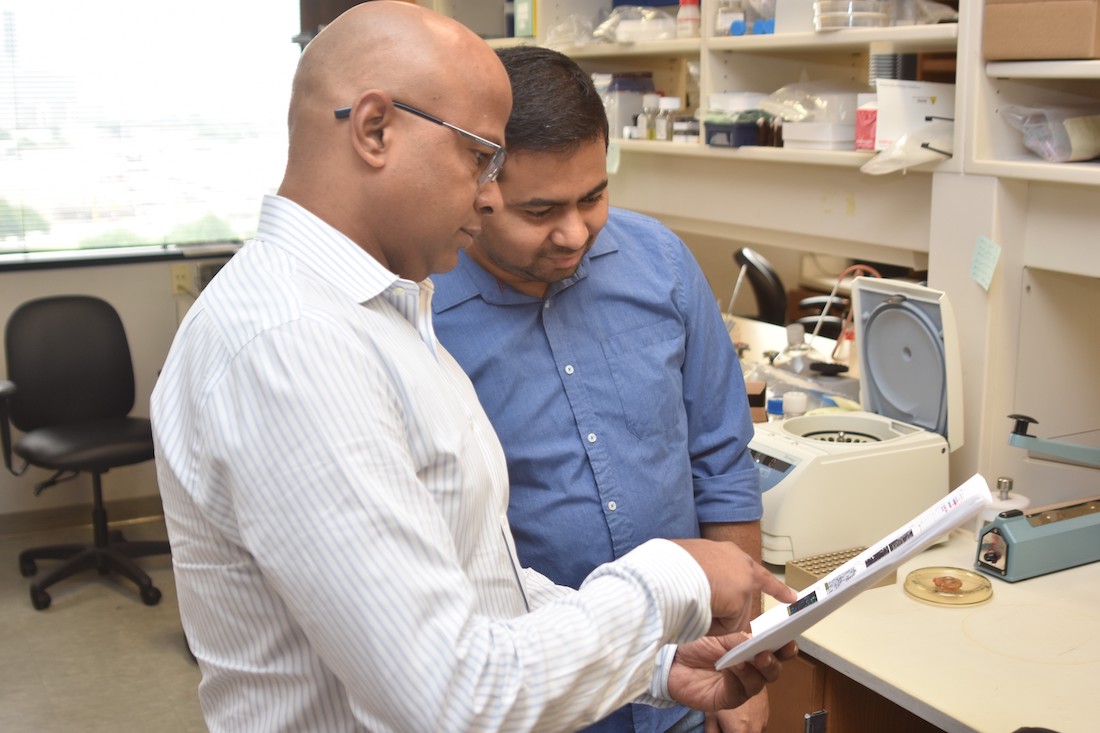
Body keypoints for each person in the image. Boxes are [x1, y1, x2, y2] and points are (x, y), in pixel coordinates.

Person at [151, 3, 795, 731]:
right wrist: (678, 574)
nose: (489, 194)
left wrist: (652, 663)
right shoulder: (291, 343)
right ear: (374, 129)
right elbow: (448, 693)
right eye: (478, 157)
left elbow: (480, 588)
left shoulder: (384, 313)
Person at [432, 46, 770, 733]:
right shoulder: (420, 314)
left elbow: (723, 466)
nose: (574, 232)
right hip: (535, 702)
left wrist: (747, 652)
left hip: (688, 680)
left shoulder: (663, 266)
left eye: (593, 196)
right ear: (476, 185)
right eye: (540, 209)